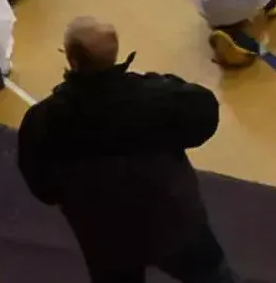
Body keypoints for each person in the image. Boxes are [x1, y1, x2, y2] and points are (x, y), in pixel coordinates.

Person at [16, 18, 233, 283]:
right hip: (175, 223)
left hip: (105, 240)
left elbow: (43, 187)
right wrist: (159, 82)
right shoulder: (155, 99)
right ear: (116, 54)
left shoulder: (44, 121)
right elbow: (205, 114)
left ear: (72, 59)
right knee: (212, 276)